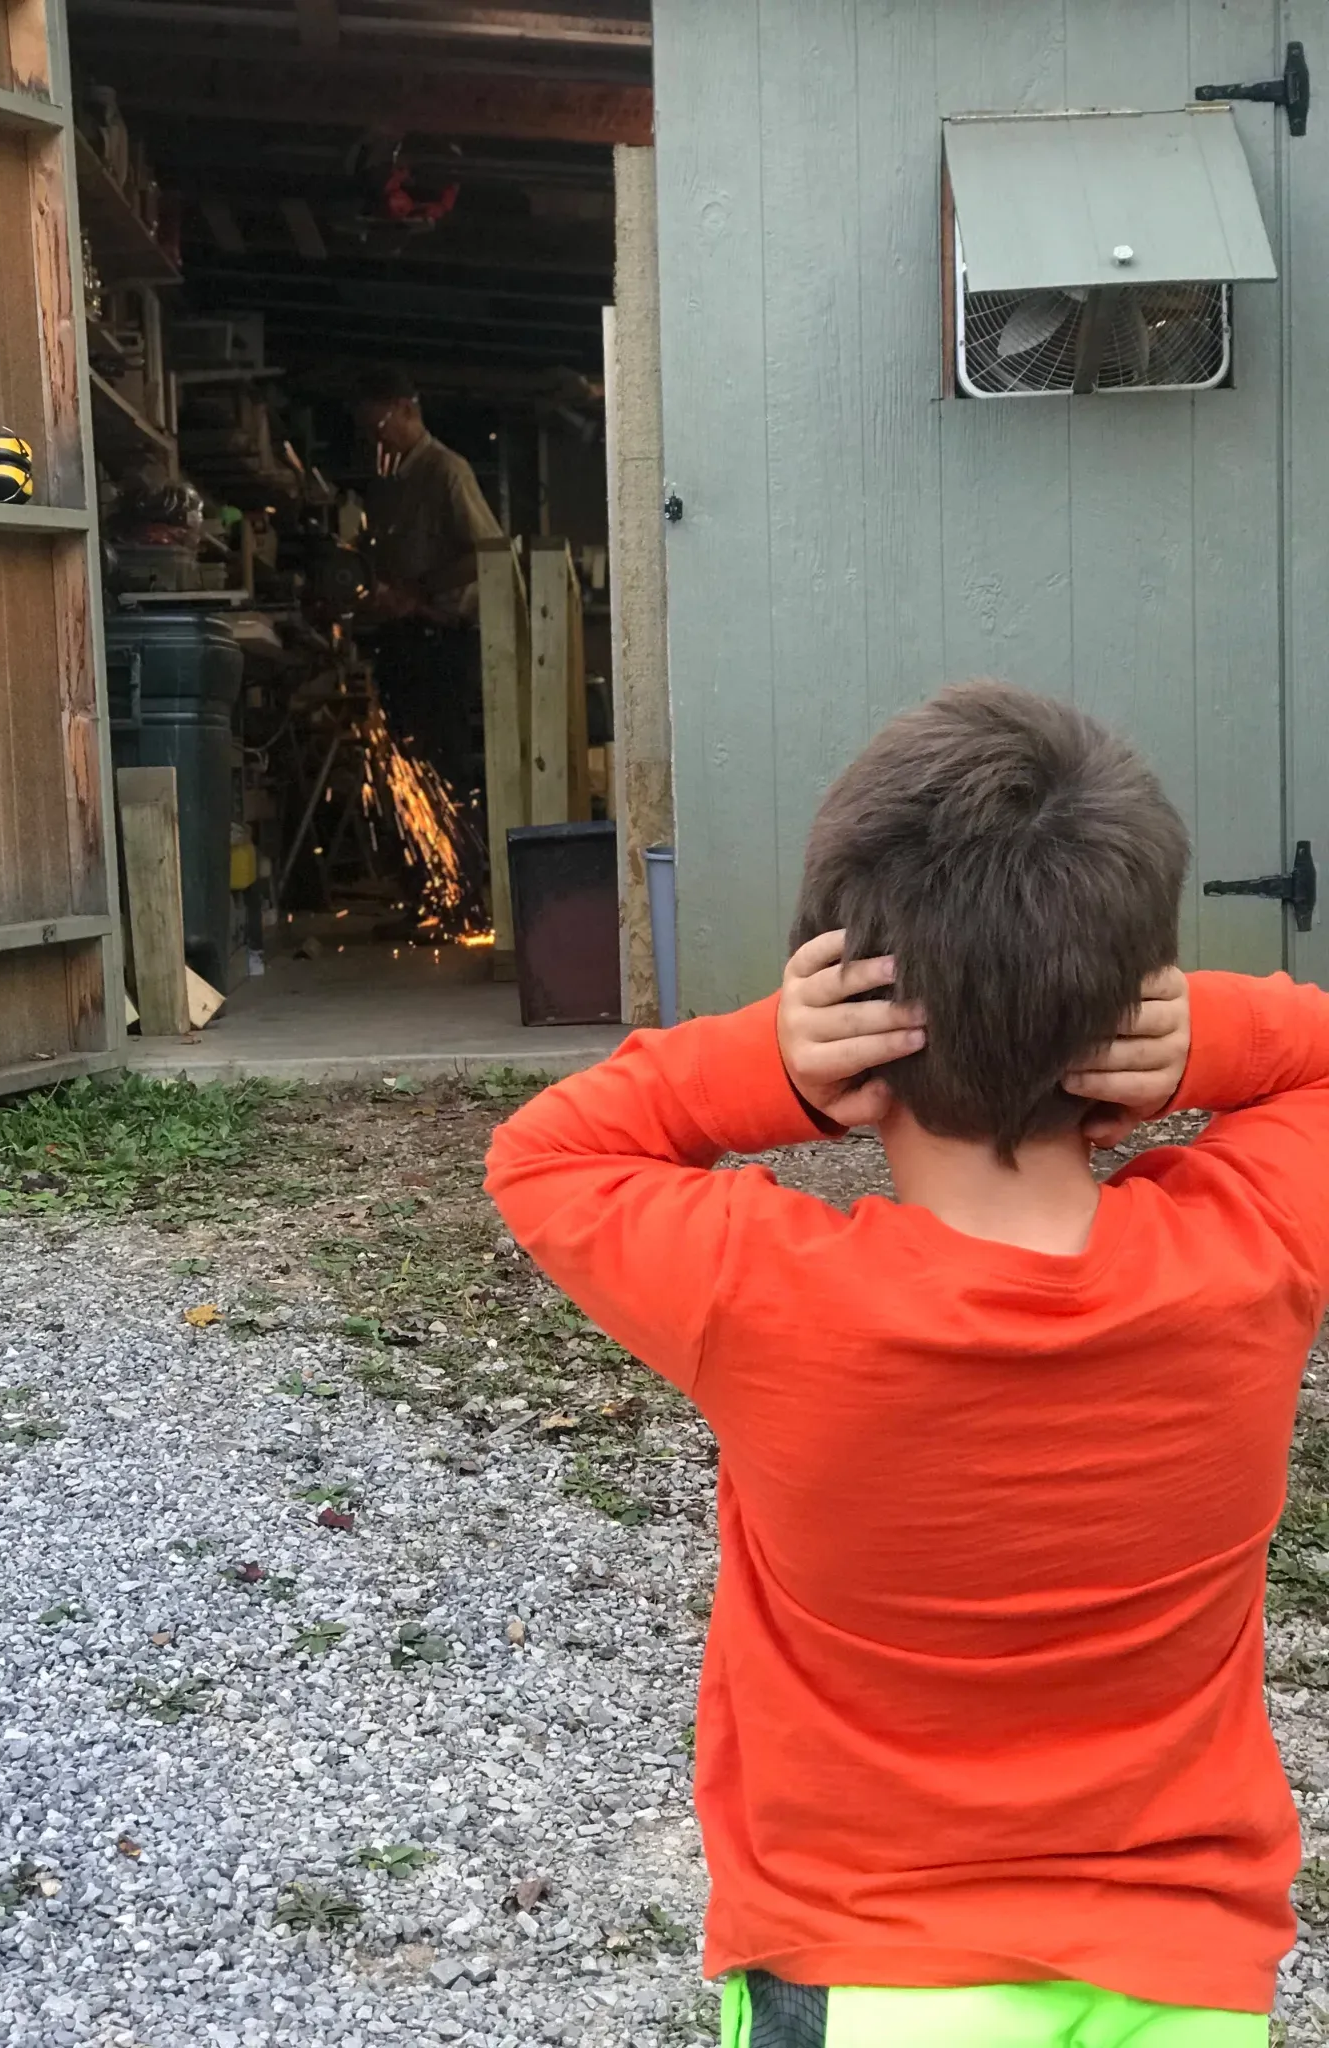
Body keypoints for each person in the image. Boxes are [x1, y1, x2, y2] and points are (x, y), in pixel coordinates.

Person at [485, 681, 1329, 2048]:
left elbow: (546, 1154)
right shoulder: (1255, 1258)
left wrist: (771, 1064)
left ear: (857, 1006)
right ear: (1125, 1018)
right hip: (1186, 1981)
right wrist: (1205, 1040)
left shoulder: (773, 1302)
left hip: (873, 1975)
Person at [353, 364, 503, 795]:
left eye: (378, 426)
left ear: (406, 410)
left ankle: (454, 856)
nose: (375, 439)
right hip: (399, 640)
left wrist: (417, 590)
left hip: (440, 643)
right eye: (367, 431)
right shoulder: (386, 485)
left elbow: (488, 552)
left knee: (440, 762)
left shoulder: (446, 472)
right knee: (401, 762)